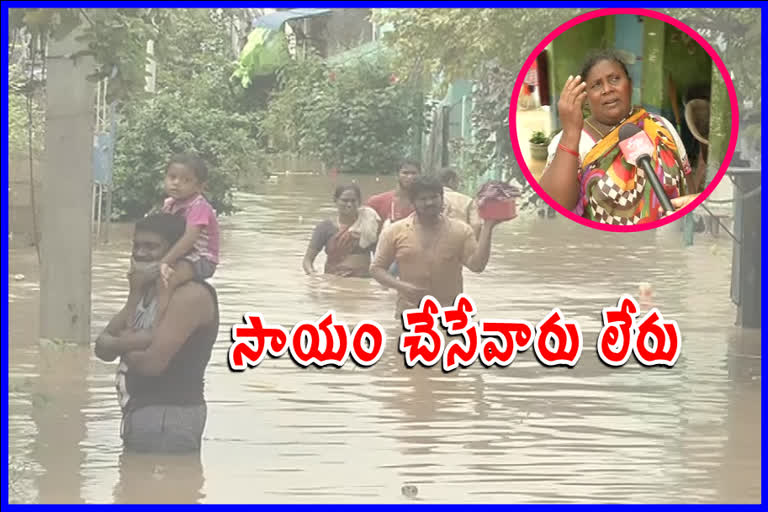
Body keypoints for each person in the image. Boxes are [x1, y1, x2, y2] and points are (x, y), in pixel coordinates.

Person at [94, 213, 220, 454]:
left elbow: (152, 363)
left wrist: (118, 344)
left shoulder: (190, 296)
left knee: (161, 490)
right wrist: (136, 334)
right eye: (136, 246)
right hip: (142, 414)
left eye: (151, 247)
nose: (140, 254)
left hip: (168, 418)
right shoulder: (145, 292)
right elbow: (101, 348)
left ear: (176, 252)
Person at [539, 49, 700, 225]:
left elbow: (687, 182)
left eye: (615, 79)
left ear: (630, 85)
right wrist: (570, 134)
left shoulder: (661, 126)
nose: (607, 89)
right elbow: (557, 205)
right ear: (586, 98)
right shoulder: (575, 140)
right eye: (596, 85)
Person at [370, 175, 507, 319]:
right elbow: (376, 269)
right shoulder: (395, 231)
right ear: (413, 202)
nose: (429, 202)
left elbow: (477, 266)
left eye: (434, 197)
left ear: (442, 199)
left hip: (450, 316)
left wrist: (488, 227)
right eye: (422, 199)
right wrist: (402, 287)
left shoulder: (460, 230)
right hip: (409, 314)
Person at [156, 153, 220, 322]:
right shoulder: (169, 204)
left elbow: (189, 239)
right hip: (182, 255)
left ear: (199, 186)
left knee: (166, 280)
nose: (176, 183)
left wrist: (165, 261)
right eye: (172, 177)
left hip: (201, 258)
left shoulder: (199, 206)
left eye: (185, 180)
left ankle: (157, 323)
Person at [303, 184, 380, 278]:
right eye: (345, 200)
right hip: (332, 281)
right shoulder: (325, 227)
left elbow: (380, 260)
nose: (349, 204)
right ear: (335, 200)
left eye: (353, 201)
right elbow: (307, 261)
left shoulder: (368, 226)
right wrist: (314, 277)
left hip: (362, 282)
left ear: (359, 202)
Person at [366, 159, 421, 227]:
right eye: (405, 173)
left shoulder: (425, 202)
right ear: (396, 175)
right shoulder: (376, 202)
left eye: (414, 173)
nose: (410, 176)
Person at [438, 167, 482, 239]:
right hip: (459, 241)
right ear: (451, 181)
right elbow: (476, 224)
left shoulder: (429, 200)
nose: (458, 184)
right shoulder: (467, 200)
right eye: (457, 181)